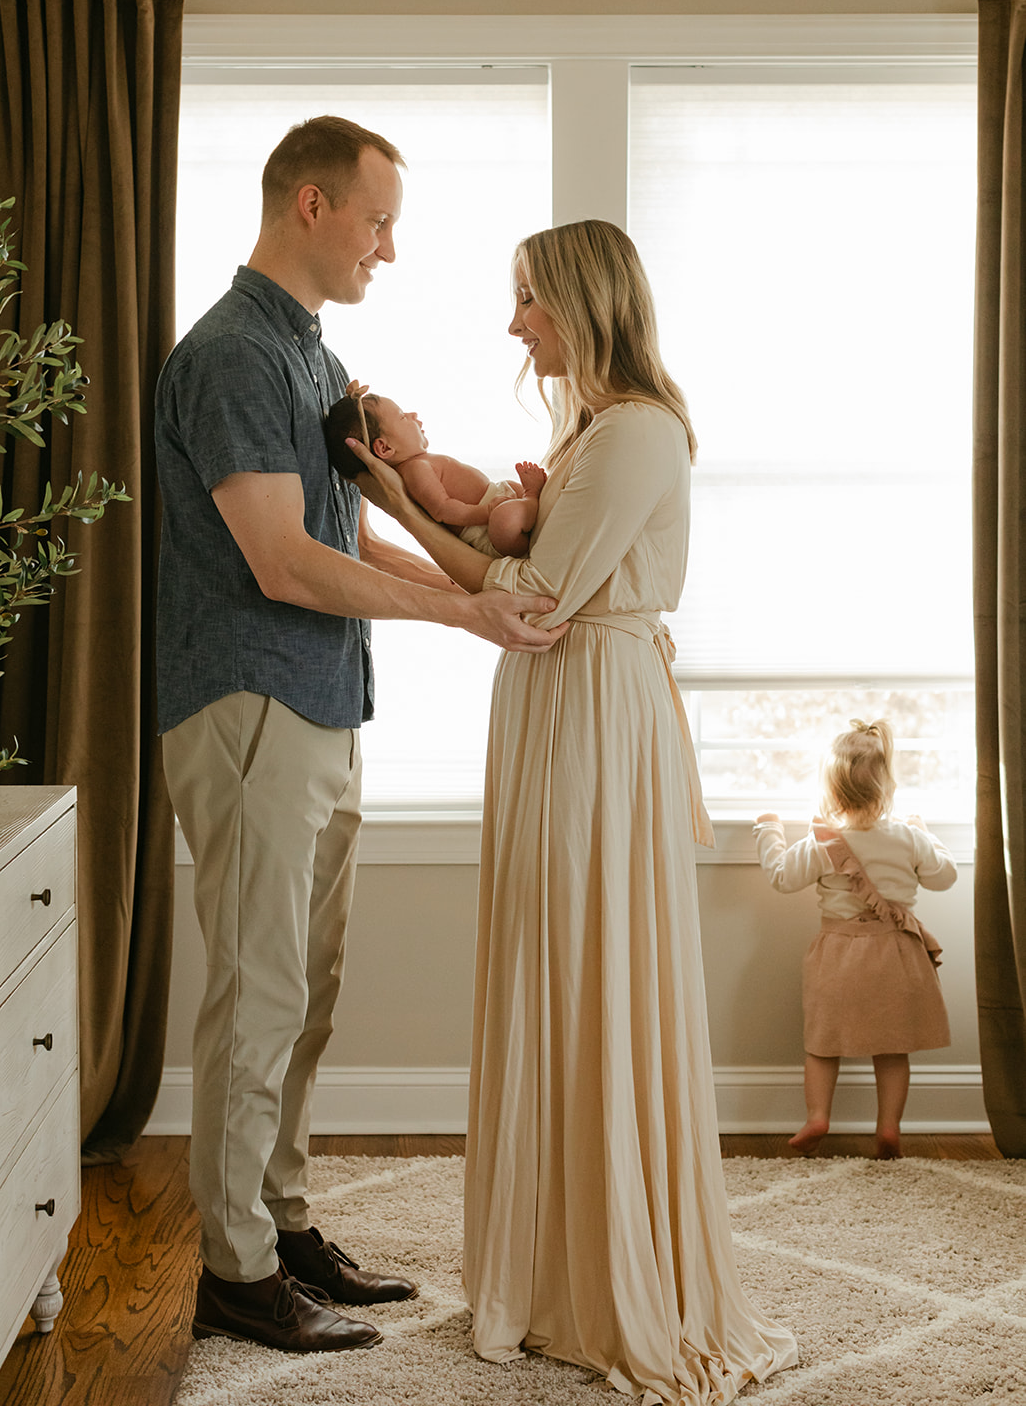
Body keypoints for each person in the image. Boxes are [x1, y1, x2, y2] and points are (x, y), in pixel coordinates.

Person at [348, 219, 798, 1403]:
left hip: (594, 705)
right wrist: (411, 496)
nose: (512, 326)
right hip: (565, 702)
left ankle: (607, 1269)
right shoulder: (586, 430)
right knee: (551, 963)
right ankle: (551, 1263)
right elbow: (515, 562)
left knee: (588, 963)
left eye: (526, 303)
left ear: (581, 302)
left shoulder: (638, 432)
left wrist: (393, 502)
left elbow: (535, 597)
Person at [154, 114, 566, 1356]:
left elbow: (341, 541)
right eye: (377, 220)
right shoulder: (232, 355)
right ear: (310, 207)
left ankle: (276, 1226)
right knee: (257, 988)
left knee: (306, 991)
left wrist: (466, 596)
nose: (388, 247)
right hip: (251, 700)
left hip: (322, 704)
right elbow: (282, 566)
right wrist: (468, 618)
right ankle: (232, 1266)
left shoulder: (311, 361)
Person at [753, 718, 957, 1160]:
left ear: (830, 790)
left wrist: (769, 830)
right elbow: (945, 876)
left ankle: (818, 1117)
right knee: (892, 1048)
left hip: (839, 955)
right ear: (887, 788)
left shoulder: (822, 841)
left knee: (823, 1048)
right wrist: (926, 833)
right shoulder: (906, 837)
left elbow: (782, 878)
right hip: (897, 954)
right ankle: (888, 1128)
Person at [324, 381, 546, 558]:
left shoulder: (421, 462)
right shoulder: (414, 470)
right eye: (402, 416)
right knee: (506, 519)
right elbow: (443, 510)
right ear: (385, 448)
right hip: (486, 529)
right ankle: (531, 498)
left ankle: (528, 505)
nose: (412, 415)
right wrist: (487, 512)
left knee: (512, 499)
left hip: (496, 502)